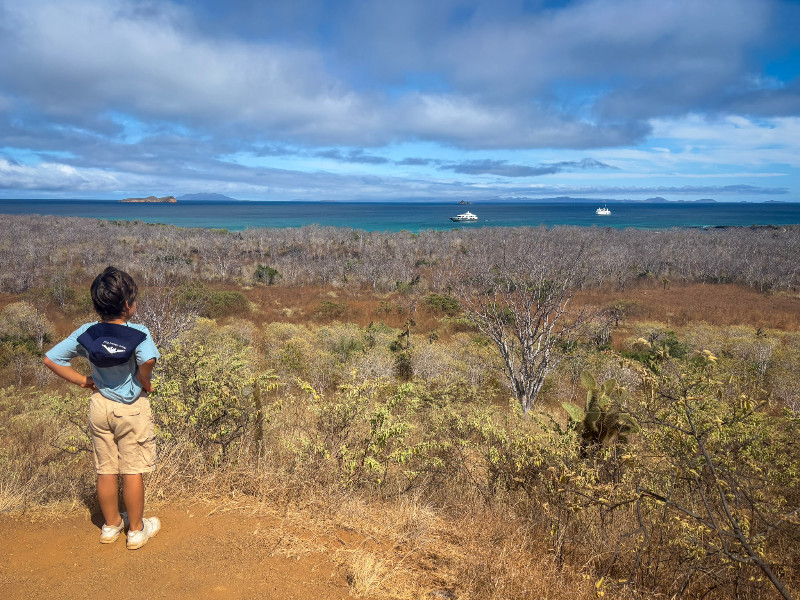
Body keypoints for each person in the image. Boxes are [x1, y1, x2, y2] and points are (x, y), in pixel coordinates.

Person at [44, 266, 161, 550]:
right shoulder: (139, 332)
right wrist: (143, 379)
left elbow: (51, 359)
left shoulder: (88, 332)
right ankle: (136, 530)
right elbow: (148, 360)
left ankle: (110, 525)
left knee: (106, 468)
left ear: (98, 305)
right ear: (127, 305)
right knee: (132, 469)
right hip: (131, 409)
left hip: (99, 407)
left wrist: (85, 381)